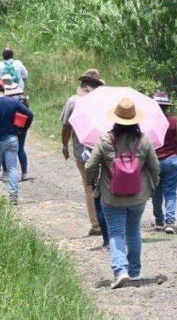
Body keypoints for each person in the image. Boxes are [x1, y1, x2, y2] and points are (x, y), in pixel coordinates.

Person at [84, 98, 160, 289]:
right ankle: (134, 271)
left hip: (111, 196)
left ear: (116, 119)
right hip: (138, 195)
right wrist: (152, 187)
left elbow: (90, 166)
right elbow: (155, 167)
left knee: (116, 232)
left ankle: (120, 271)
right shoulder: (144, 140)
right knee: (133, 230)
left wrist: (91, 181)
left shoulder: (104, 139)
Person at [60, 68, 106, 236]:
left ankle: (96, 225)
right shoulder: (104, 102)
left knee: (89, 186)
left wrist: (64, 146)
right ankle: (109, 219)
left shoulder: (73, 101)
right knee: (107, 183)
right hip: (105, 148)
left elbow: (66, 127)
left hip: (82, 151)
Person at [0, 82, 33, 204]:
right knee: (12, 168)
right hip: (12, 139)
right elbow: (29, 114)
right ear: (4, 90)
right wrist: (22, 129)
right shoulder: (13, 101)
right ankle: (13, 196)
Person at [151, 91, 177, 234]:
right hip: (172, 160)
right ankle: (170, 222)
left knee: (156, 192)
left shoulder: (148, 121)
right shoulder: (173, 120)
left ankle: (159, 221)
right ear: (167, 106)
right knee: (170, 192)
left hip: (154, 161)